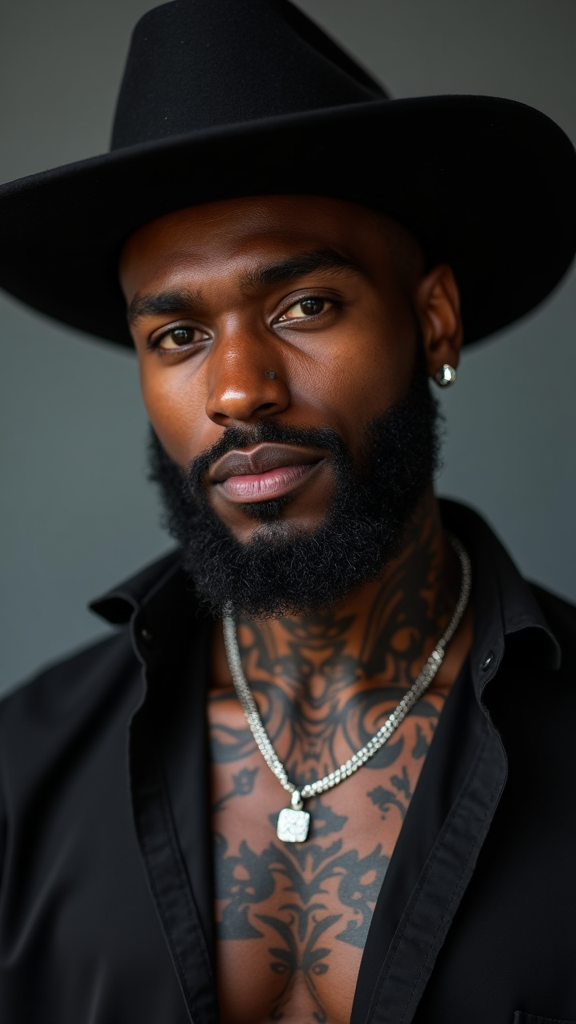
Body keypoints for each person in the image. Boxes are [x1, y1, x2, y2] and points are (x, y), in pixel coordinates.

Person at [0, 1, 575, 1022]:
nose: (238, 391)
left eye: (304, 306)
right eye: (177, 335)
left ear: (433, 319)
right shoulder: (22, 769)